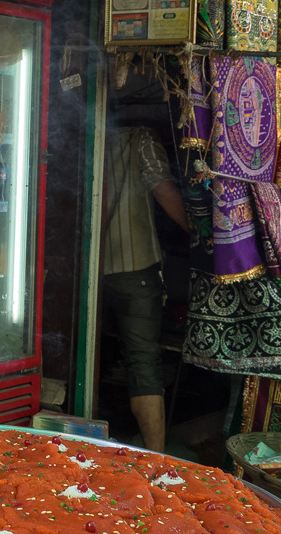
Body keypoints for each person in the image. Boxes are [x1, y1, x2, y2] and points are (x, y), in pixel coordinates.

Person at [100, 124, 190, 453]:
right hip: (135, 267)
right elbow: (163, 189)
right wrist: (201, 234)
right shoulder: (141, 137)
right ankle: (156, 456)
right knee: (142, 362)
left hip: (84, 271)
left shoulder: (79, 131)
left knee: (87, 354)